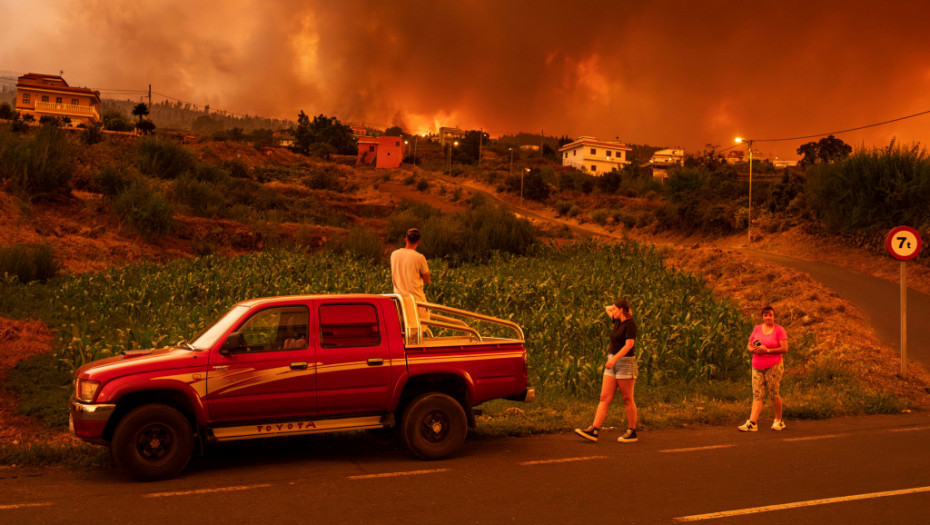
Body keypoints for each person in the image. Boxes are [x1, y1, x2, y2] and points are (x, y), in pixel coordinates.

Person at [575, 298, 639, 443]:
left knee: (627, 398)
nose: (612, 311)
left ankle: (632, 431)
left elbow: (629, 345)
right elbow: (607, 307)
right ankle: (594, 429)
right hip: (612, 362)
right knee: (604, 397)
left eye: (615, 309)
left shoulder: (630, 324)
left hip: (625, 363)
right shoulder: (617, 320)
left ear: (621, 310)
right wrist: (620, 308)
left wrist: (614, 359)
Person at [738, 305, 789, 432]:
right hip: (757, 366)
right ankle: (752, 423)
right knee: (757, 394)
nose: (768, 317)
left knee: (773, 393)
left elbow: (784, 349)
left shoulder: (779, 330)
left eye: (770, 315)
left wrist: (767, 350)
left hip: (774, 366)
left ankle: (779, 420)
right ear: (762, 317)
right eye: (765, 315)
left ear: (774, 316)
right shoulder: (757, 329)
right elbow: (749, 345)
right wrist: (753, 349)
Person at [390, 228, 431, 315]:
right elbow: (427, 280)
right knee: (421, 327)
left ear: (405, 240)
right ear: (419, 242)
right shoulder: (420, 257)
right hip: (416, 301)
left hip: (399, 301)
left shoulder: (394, 254)